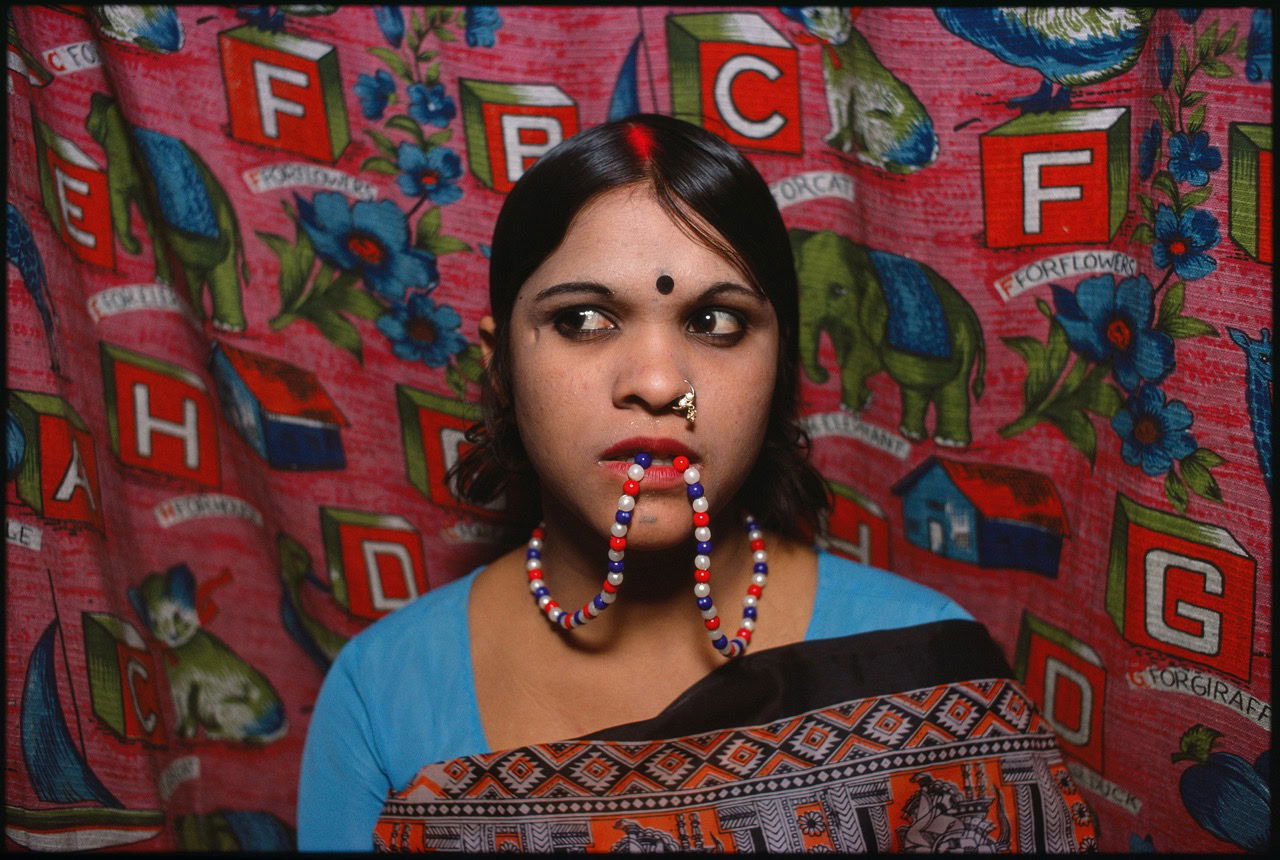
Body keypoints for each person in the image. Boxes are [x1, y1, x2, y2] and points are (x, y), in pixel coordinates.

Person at [297, 114, 1095, 852]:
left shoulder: (928, 672)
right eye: (582, 319)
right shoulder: (382, 693)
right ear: (499, 365)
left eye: (717, 323)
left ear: (779, 365)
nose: (656, 381)